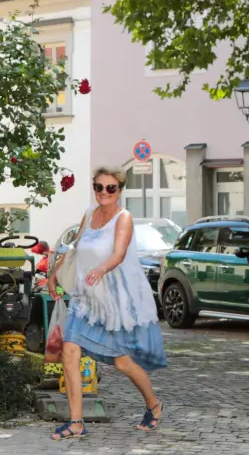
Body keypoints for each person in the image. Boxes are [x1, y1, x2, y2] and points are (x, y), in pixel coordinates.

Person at [44, 167, 167, 439]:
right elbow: (74, 248)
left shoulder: (123, 218)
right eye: (99, 187)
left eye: (110, 188)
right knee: (70, 351)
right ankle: (76, 422)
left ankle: (154, 405)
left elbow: (120, 253)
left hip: (110, 304)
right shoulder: (89, 214)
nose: (103, 193)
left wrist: (101, 269)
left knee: (122, 362)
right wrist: (54, 274)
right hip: (84, 299)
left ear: (119, 191)